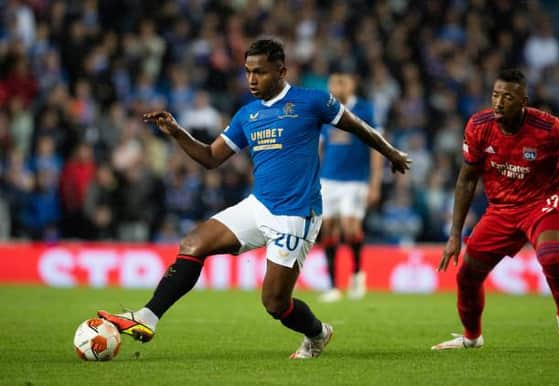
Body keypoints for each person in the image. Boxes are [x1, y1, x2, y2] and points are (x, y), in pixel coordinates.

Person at [97, 39, 411, 359]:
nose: (251, 79)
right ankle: (147, 318)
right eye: (247, 72)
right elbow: (209, 157)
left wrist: (391, 153)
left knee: (275, 304)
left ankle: (318, 333)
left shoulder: (313, 101)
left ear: (281, 71)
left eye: (259, 72)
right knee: (194, 242)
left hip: (296, 214)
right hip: (258, 205)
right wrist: (177, 132)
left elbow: (358, 126)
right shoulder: (248, 115)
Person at [431, 69, 559, 353]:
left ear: (523, 101)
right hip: (502, 209)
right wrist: (455, 234)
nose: (499, 102)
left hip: (545, 201)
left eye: (507, 96)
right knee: (467, 277)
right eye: (495, 95)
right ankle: (471, 338)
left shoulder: (548, 128)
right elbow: (467, 178)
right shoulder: (478, 126)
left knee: (552, 257)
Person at [317, 72, 383, 302]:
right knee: (327, 229)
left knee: (349, 227)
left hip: (355, 180)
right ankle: (333, 286)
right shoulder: (326, 111)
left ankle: (356, 273)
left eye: (340, 83)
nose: (335, 87)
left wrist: (375, 182)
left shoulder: (364, 110)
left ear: (351, 85)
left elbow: (376, 147)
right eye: (332, 83)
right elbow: (320, 147)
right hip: (328, 179)